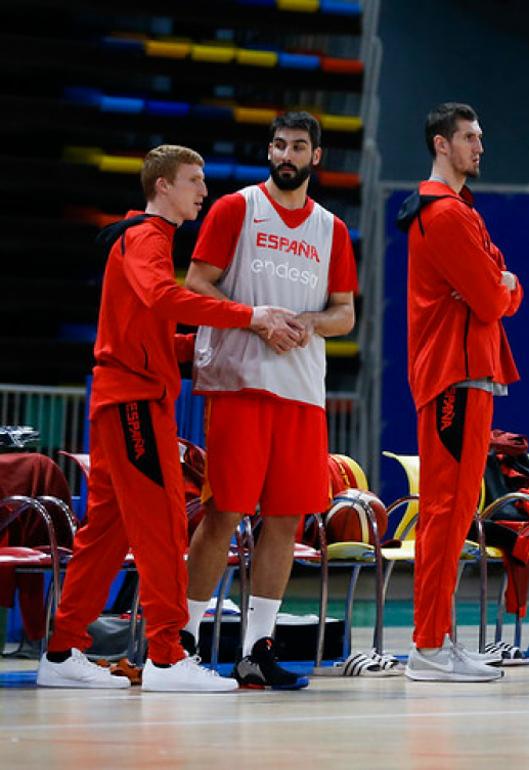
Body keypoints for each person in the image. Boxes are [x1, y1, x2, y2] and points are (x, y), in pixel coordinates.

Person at [37, 145, 293, 692]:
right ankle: (168, 657)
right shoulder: (148, 237)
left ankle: (61, 652)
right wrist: (249, 317)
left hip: (121, 397)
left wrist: (210, 342)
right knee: (162, 523)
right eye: (194, 180)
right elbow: (162, 297)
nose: (203, 190)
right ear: (162, 187)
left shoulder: (142, 238)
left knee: (106, 532)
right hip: (132, 403)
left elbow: (148, 330)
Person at [183, 112, 358, 689]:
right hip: (239, 384)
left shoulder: (331, 228)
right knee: (224, 511)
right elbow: (196, 285)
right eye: (279, 144)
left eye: (299, 146)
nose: (287, 153)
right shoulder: (236, 208)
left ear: (316, 157)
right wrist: (256, 320)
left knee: (286, 518)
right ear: (270, 151)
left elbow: (345, 313)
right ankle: (180, 641)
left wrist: (308, 321)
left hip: (302, 392)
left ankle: (257, 649)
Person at [395, 102, 522, 682]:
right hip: (454, 374)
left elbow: (500, 284)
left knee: (455, 511)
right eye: (469, 137)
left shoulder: (458, 210)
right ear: (441, 144)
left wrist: (500, 284)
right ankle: (427, 646)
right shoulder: (444, 214)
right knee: (445, 512)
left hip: (466, 373)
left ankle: (439, 639)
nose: (480, 146)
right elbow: (496, 297)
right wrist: (501, 286)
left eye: (482, 136)